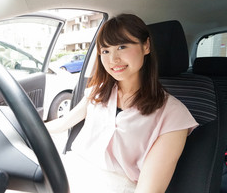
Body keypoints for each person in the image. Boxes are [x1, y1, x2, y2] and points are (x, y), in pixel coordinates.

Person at [46, 14, 199, 193]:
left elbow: (150, 189)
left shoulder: (174, 114)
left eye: (122, 46)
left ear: (146, 46)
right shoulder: (98, 91)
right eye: (105, 51)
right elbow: (62, 124)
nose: (113, 59)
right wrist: (24, 128)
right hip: (69, 173)